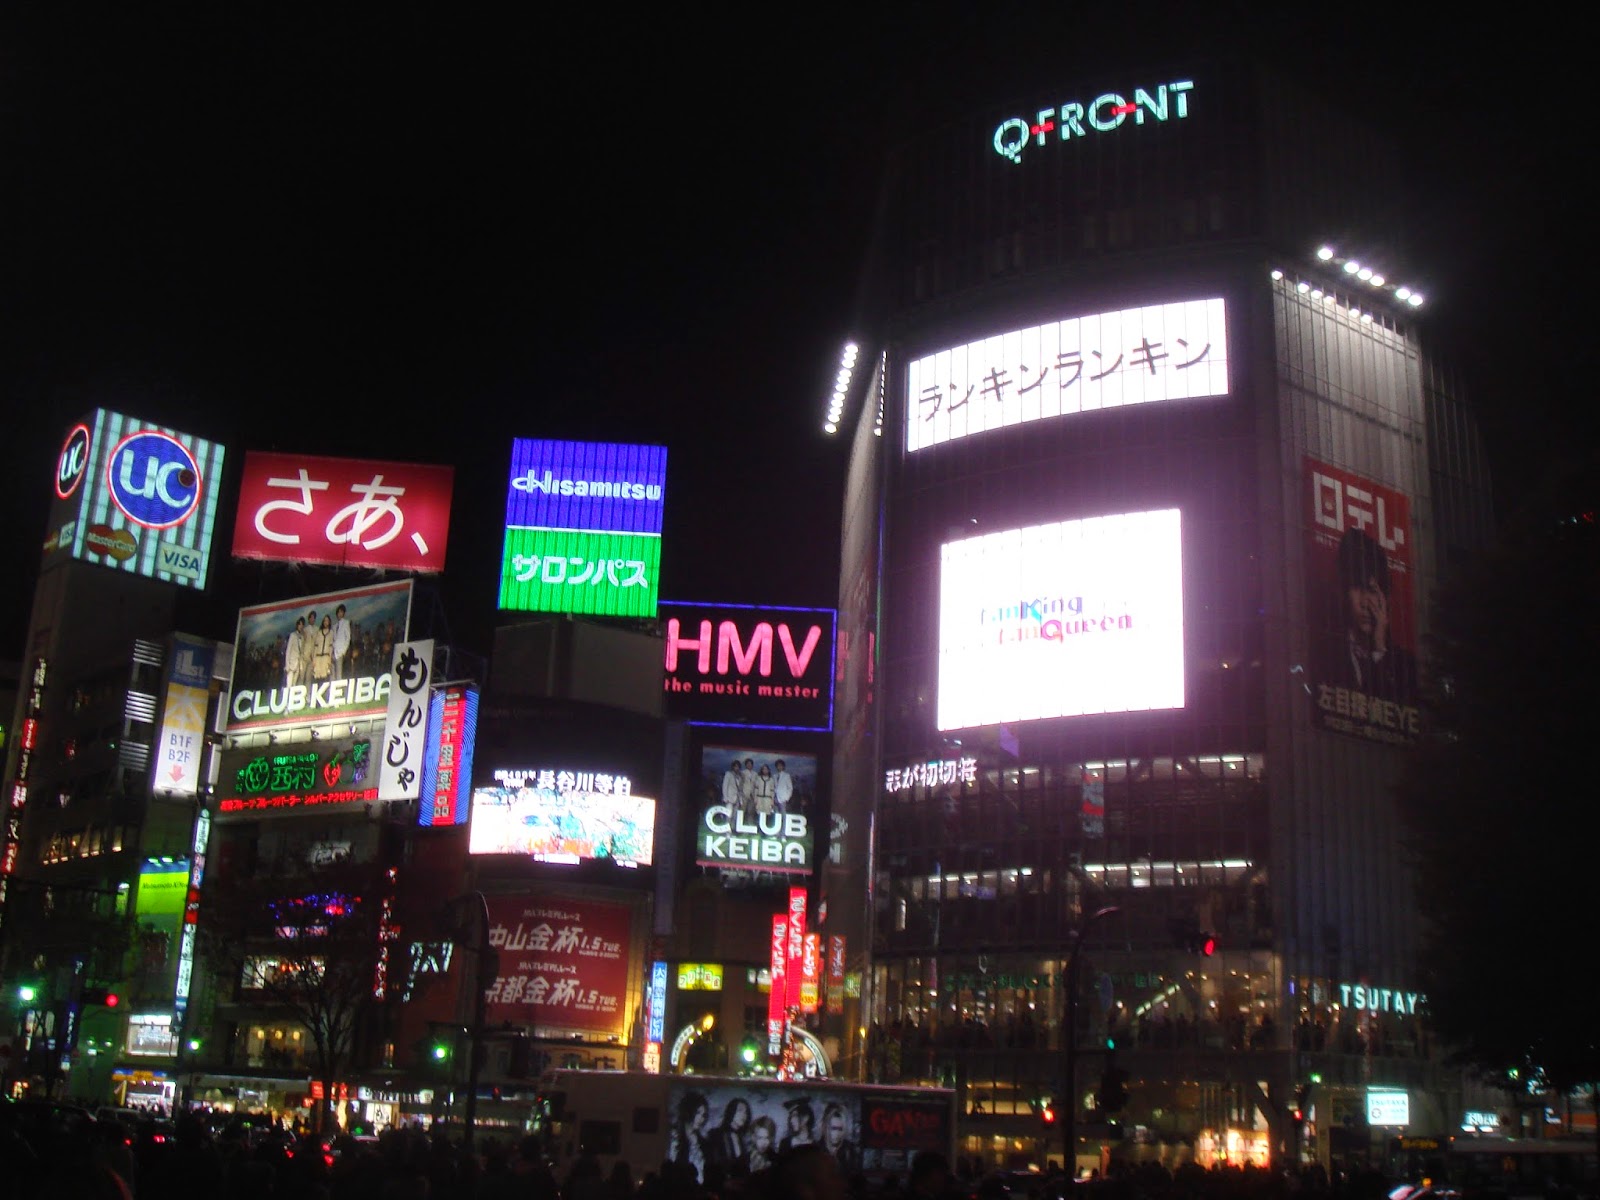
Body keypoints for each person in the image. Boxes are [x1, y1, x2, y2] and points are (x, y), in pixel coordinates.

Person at [1324, 526, 1418, 707]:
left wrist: (1379, 650)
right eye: (1358, 588)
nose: (1366, 603)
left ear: (1385, 597)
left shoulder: (1405, 665)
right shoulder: (1326, 653)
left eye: (1373, 590)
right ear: (1344, 592)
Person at [667, 1090, 709, 1181]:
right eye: (698, 1113)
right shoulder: (675, 1136)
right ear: (689, 1111)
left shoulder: (702, 1141)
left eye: (703, 1115)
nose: (701, 1119)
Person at [706, 1097, 751, 1176]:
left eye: (746, 1112)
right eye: (740, 1111)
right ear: (731, 1112)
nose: (744, 1115)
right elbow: (713, 1165)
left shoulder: (743, 1138)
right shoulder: (715, 1134)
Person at [819, 1102, 860, 1173]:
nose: (837, 1134)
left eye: (840, 1129)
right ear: (824, 1127)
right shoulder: (815, 1150)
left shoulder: (850, 1150)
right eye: (833, 1128)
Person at [308, 614, 335, 683]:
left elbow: (330, 646)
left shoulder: (331, 632)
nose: (326, 622)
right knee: (317, 677)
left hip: (326, 657)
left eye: (327, 621)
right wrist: (314, 659)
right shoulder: (319, 632)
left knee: (325, 676)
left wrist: (329, 659)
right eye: (325, 621)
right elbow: (316, 646)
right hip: (318, 657)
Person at [283, 616, 307, 690]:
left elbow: (301, 651)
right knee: (289, 684)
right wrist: (287, 664)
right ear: (297, 625)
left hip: (298, 663)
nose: (301, 626)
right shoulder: (293, 635)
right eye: (299, 624)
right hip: (291, 663)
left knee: (294, 684)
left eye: (302, 625)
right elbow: (288, 650)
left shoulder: (302, 637)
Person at [331, 603, 353, 681]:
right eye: (338, 612)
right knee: (332, 674)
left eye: (341, 612)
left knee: (338, 674)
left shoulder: (346, 623)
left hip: (340, 652)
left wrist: (343, 651)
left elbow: (348, 638)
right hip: (333, 652)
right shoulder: (334, 626)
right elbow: (333, 639)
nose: (339, 614)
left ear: (343, 613)